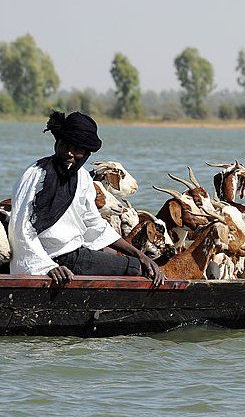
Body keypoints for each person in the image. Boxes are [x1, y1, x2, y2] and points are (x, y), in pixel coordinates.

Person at [8, 111, 164, 287]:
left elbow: (94, 224)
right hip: (47, 259)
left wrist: (139, 255)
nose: (69, 153)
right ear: (57, 142)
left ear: (87, 154)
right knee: (136, 269)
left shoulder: (82, 178)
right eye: (64, 145)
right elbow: (21, 228)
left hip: (73, 254)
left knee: (135, 261)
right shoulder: (35, 175)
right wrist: (47, 266)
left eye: (77, 150)